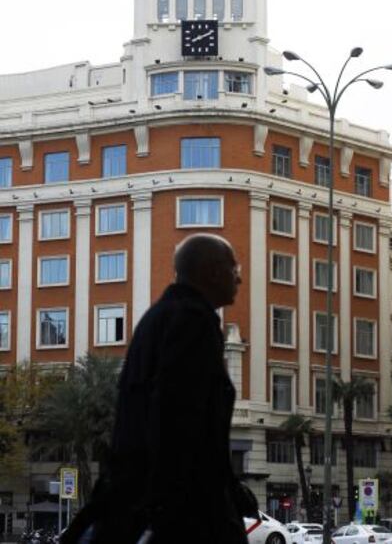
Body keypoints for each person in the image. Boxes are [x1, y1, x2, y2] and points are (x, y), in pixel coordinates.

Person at [61, 233, 258, 544]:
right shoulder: (194, 320)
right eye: (235, 268)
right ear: (212, 270)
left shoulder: (159, 317)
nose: (239, 278)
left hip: (153, 498)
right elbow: (180, 416)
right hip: (187, 510)